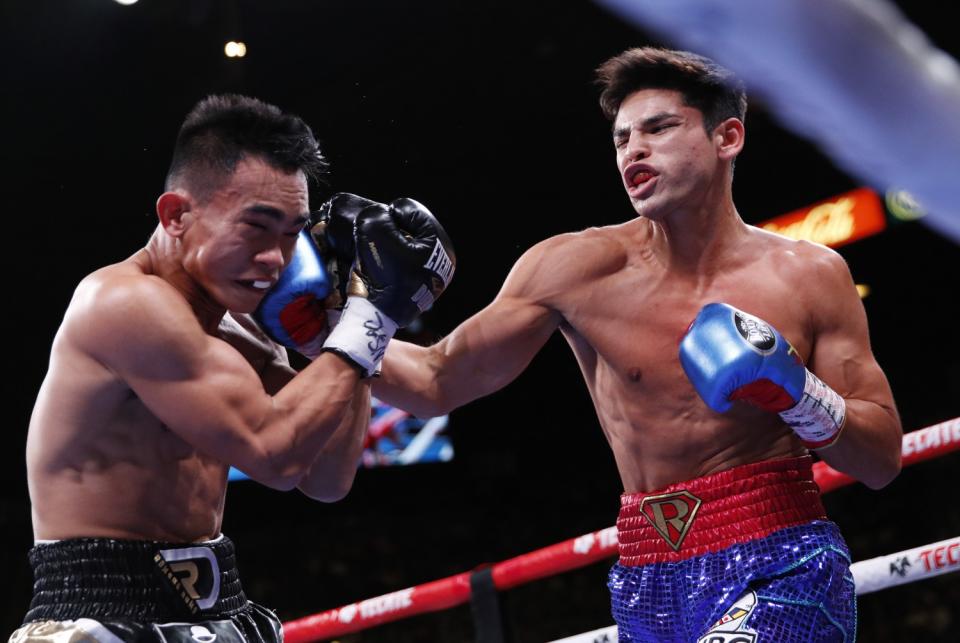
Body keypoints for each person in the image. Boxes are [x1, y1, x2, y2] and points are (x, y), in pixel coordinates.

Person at [370, 48, 902, 642]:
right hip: (647, 574)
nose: (633, 151)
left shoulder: (809, 276)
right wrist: (325, 328)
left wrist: (796, 391)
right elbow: (435, 381)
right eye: (622, 138)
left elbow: (879, 460)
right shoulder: (572, 269)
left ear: (727, 137)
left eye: (659, 128)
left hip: (781, 559)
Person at [14, 94, 453, 643]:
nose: (276, 257)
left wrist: (349, 319)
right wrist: (371, 317)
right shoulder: (121, 304)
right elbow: (275, 453)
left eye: (293, 232)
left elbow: (326, 476)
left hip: (222, 611)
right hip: (99, 616)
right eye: (256, 227)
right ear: (176, 214)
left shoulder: (236, 329)